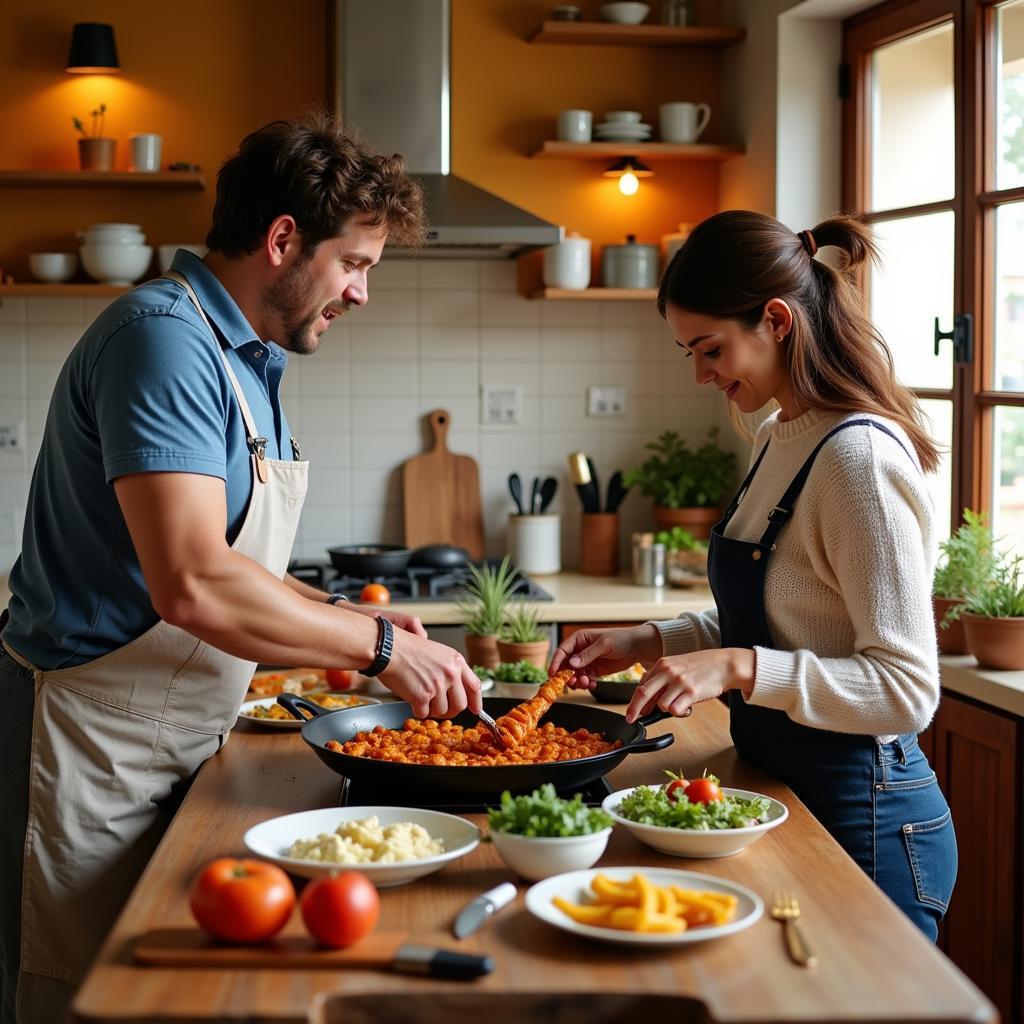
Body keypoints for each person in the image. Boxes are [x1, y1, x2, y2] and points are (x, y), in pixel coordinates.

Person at [0, 111, 483, 1024]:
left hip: (173, 736)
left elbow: (231, 561)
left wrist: (332, 607)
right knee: (80, 998)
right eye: (355, 264)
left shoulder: (238, 356)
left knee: (174, 996)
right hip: (91, 742)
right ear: (283, 240)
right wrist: (378, 644)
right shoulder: (164, 341)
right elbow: (191, 581)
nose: (362, 293)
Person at [551, 210, 957, 941]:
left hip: (864, 818)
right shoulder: (779, 437)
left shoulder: (857, 461)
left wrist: (739, 666)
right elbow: (790, 613)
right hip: (776, 784)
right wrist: (648, 639)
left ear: (775, 320)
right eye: (689, 353)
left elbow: (906, 689)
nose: (704, 374)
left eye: (710, 348)